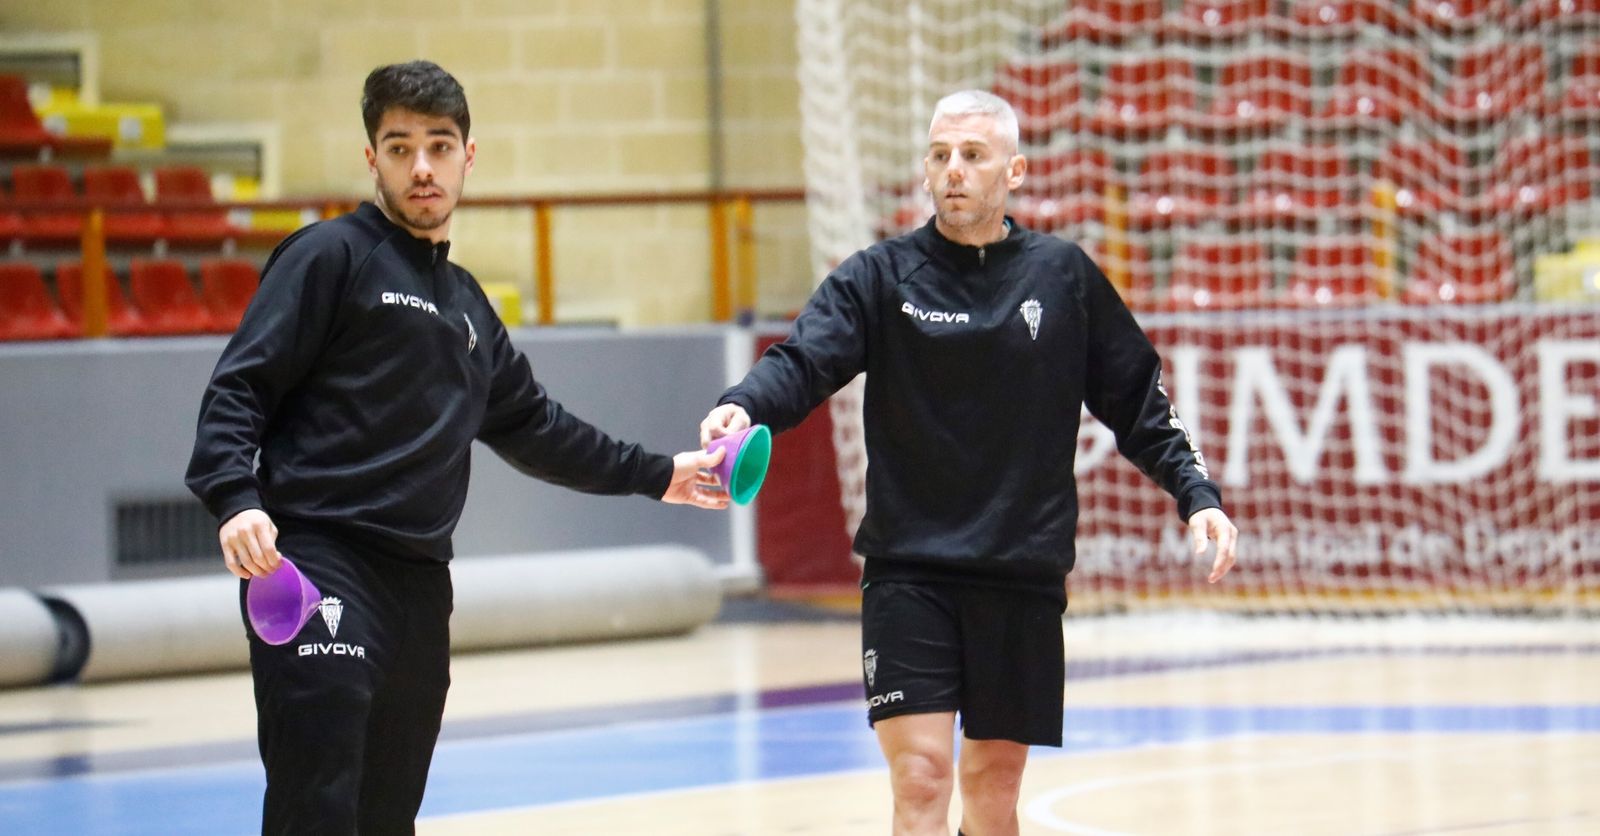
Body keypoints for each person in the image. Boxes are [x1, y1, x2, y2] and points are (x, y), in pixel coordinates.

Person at [185, 60, 728, 835]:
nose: (423, 167)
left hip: (420, 588)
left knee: (387, 814)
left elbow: (537, 427)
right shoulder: (329, 257)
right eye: (400, 148)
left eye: (439, 146)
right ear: (371, 158)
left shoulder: (467, 304)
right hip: (315, 562)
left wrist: (658, 474)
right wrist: (235, 498)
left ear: (469, 156)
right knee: (319, 802)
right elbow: (240, 386)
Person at [700, 90, 1238, 836]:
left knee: (993, 791)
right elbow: (803, 360)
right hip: (909, 569)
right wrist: (745, 405)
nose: (953, 170)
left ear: (1013, 171)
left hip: (1020, 567)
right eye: (940, 155)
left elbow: (1138, 398)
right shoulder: (880, 277)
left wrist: (1196, 492)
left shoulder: (1063, 278)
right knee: (921, 777)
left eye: (973, 156)